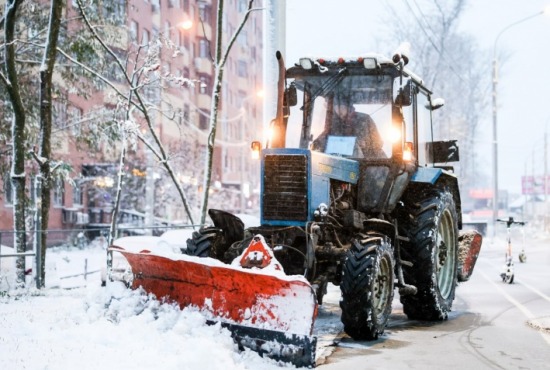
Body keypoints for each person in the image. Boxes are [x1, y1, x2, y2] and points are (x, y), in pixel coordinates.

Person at [312, 95, 384, 158]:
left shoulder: (364, 119)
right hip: (339, 162)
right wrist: (316, 144)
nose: (338, 110)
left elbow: (377, 143)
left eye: (341, 107)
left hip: (364, 163)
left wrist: (364, 145)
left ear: (348, 107)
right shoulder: (334, 123)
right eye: (336, 107)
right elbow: (324, 138)